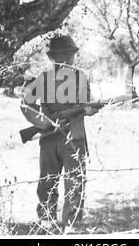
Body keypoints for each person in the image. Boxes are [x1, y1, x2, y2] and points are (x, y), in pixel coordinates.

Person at [20, 35, 97, 234]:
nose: (68, 59)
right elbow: (26, 104)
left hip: (74, 136)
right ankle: (46, 219)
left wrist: (90, 109)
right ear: (54, 57)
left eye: (69, 54)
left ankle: (71, 225)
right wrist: (43, 121)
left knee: (75, 182)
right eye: (63, 55)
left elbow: (88, 103)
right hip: (50, 138)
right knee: (47, 181)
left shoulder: (80, 77)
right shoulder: (44, 78)